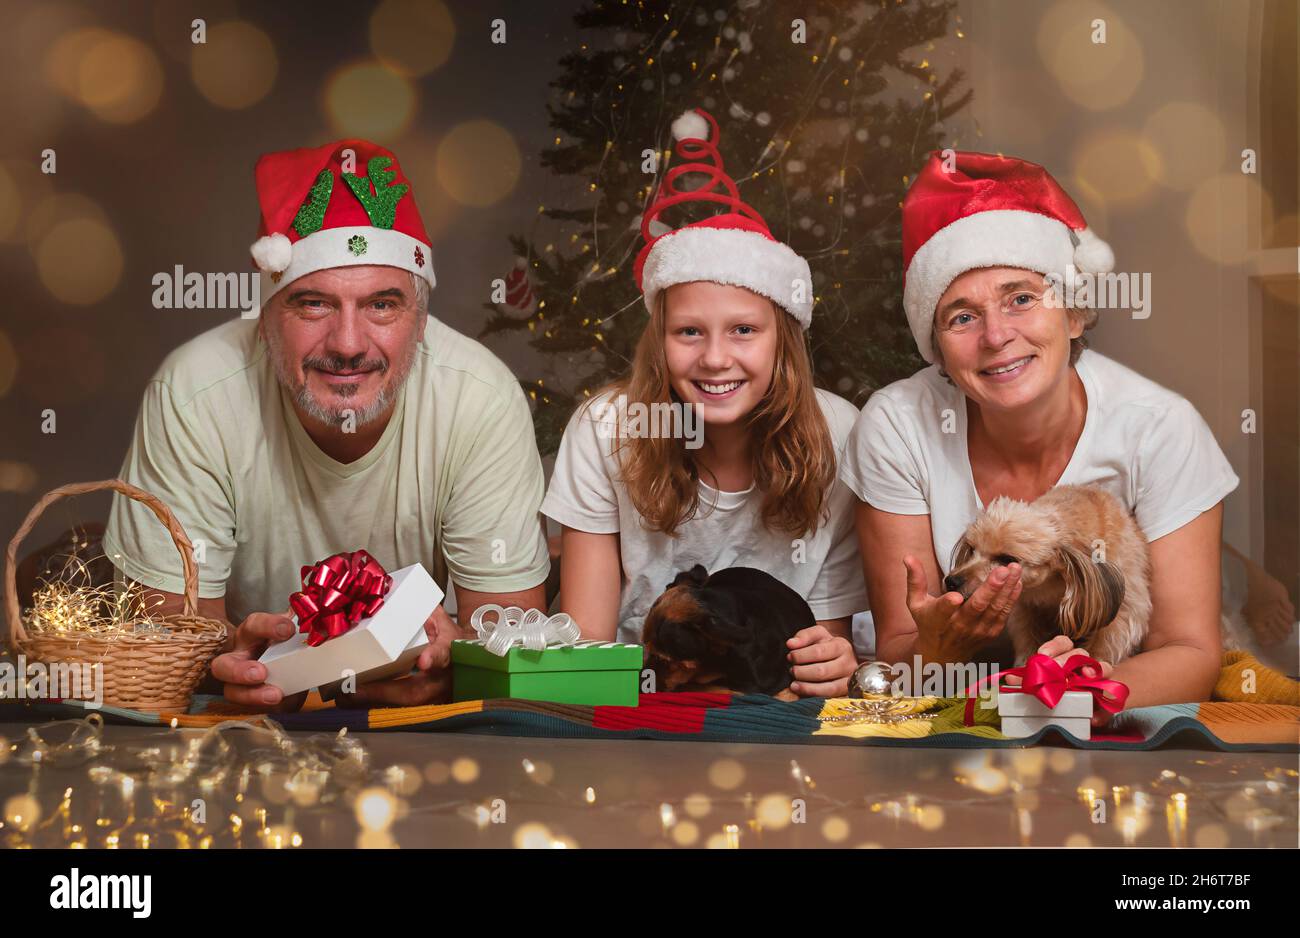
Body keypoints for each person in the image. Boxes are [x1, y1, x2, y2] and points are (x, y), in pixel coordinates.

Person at [103, 139, 550, 709]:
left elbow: (509, 638)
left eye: (382, 305)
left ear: (421, 320)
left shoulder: (479, 398)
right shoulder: (195, 392)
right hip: (249, 732)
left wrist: (453, 662)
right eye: (312, 304)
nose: (347, 344)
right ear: (266, 317)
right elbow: (167, 647)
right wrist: (224, 665)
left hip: (427, 735)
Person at [842, 151, 1239, 715]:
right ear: (936, 347)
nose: (996, 335)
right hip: (967, 718)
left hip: (1097, 709)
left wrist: (1064, 701)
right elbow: (903, 656)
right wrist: (938, 648)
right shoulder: (897, 426)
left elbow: (1190, 652)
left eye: (1022, 298)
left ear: (1074, 315)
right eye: (961, 316)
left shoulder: (1162, 428)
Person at [542, 110, 866, 697]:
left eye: (744, 330)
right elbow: (586, 648)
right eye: (689, 332)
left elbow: (816, 647)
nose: (716, 359)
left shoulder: (841, 434)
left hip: (775, 711)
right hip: (636, 703)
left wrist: (829, 664)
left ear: (783, 339)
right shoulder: (607, 428)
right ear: (659, 341)